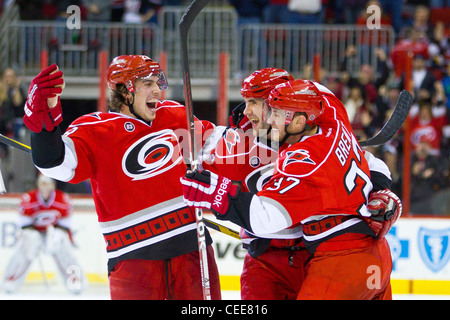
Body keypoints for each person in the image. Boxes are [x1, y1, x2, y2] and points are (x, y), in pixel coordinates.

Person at [182, 79, 402, 300]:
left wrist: (218, 194)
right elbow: (186, 144)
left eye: (262, 104)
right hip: (287, 258)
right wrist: (380, 191)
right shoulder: (330, 121)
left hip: (332, 257)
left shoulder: (303, 157)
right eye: (246, 101)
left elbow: (264, 216)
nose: (262, 116)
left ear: (298, 119)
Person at [22, 56, 221, 300]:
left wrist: (261, 132)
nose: (157, 90)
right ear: (124, 90)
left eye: (158, 82)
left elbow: (224, 150)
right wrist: (43, 125)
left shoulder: (175, 115)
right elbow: (54, 163)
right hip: (133, 260)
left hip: (193, 250)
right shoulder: (95, 129)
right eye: (147, 84)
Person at [2, 174, 85, 294]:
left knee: (64, 253)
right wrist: (31, 233)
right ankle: (10, 281)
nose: (44, 186)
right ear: (38, 184)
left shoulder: (62, 198)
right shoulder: (29, 198)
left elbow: (66, 220)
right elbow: (23, 220)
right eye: (42, 183)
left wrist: (58, 232)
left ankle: (75, 281)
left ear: (53, 185)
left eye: (47, 183)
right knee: (25, 251)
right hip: (33, 231)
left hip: (53, 231)